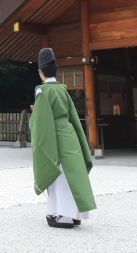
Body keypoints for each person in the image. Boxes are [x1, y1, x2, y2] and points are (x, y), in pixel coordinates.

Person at [29, 48, 96, 228]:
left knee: (58, 173)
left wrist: (34, 116)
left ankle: (65, 216)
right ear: (56, 71)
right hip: (69, 133)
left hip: (54, 135)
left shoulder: (41, 91)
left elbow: (42, 120)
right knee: (74, 173)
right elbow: (72, 115)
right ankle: (75, 214)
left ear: (41, 72)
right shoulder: (63, 89)